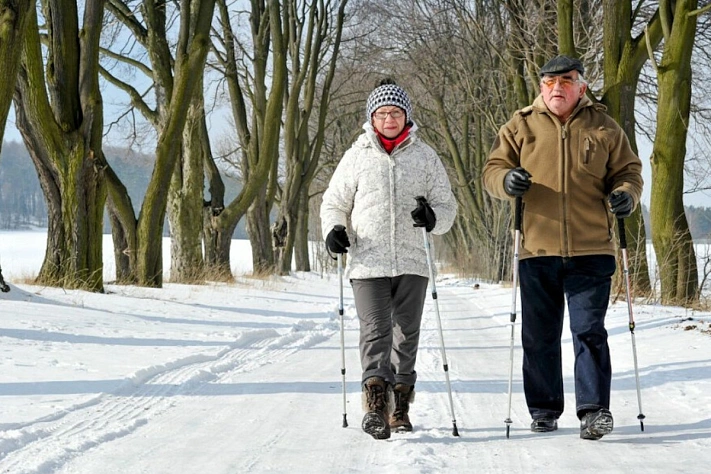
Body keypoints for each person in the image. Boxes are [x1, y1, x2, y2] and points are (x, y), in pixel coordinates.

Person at [482, 55, 643, 440]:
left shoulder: (604, 126)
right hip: (537, 248)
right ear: (541, 88)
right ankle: (544, 409)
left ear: (581, 86)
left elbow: (629, 173)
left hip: (592, 249)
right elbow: (492, 170)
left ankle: (593, 412)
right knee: (540, 335)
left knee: (589, 330)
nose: (558, 87)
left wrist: (626, 195)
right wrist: (507, 181)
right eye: (550, 81)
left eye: (566, 80)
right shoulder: (520, 125)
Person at [320, 78, 457, 440]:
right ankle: (375, 405)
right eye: (382, 113)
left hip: (413, 260)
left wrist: (433, 218)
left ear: (406, 115)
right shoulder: (357, 156)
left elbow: (447, 208)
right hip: (367, 261)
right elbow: (334, 201)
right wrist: (333, 229)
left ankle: (400, 406)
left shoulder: (425, 156)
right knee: (375, 330)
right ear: (372, 118)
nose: (389, 118)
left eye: (395, 112)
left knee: (406, 333)